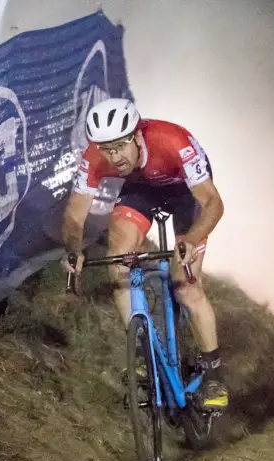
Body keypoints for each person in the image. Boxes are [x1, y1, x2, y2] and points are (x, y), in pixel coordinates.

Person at [60, 97, 228, 411]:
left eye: (121, 146)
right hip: (141, 190)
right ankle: (141, 355)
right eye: (107, 150)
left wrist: (190, 240)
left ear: (137, 136)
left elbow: (213, 204)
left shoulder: (173, 141)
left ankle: (214, 375)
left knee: (186, 287)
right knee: (118, 257)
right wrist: (73, 250)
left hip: (186, 192)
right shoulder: (95, 156)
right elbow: (74, 215)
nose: (114, 157)